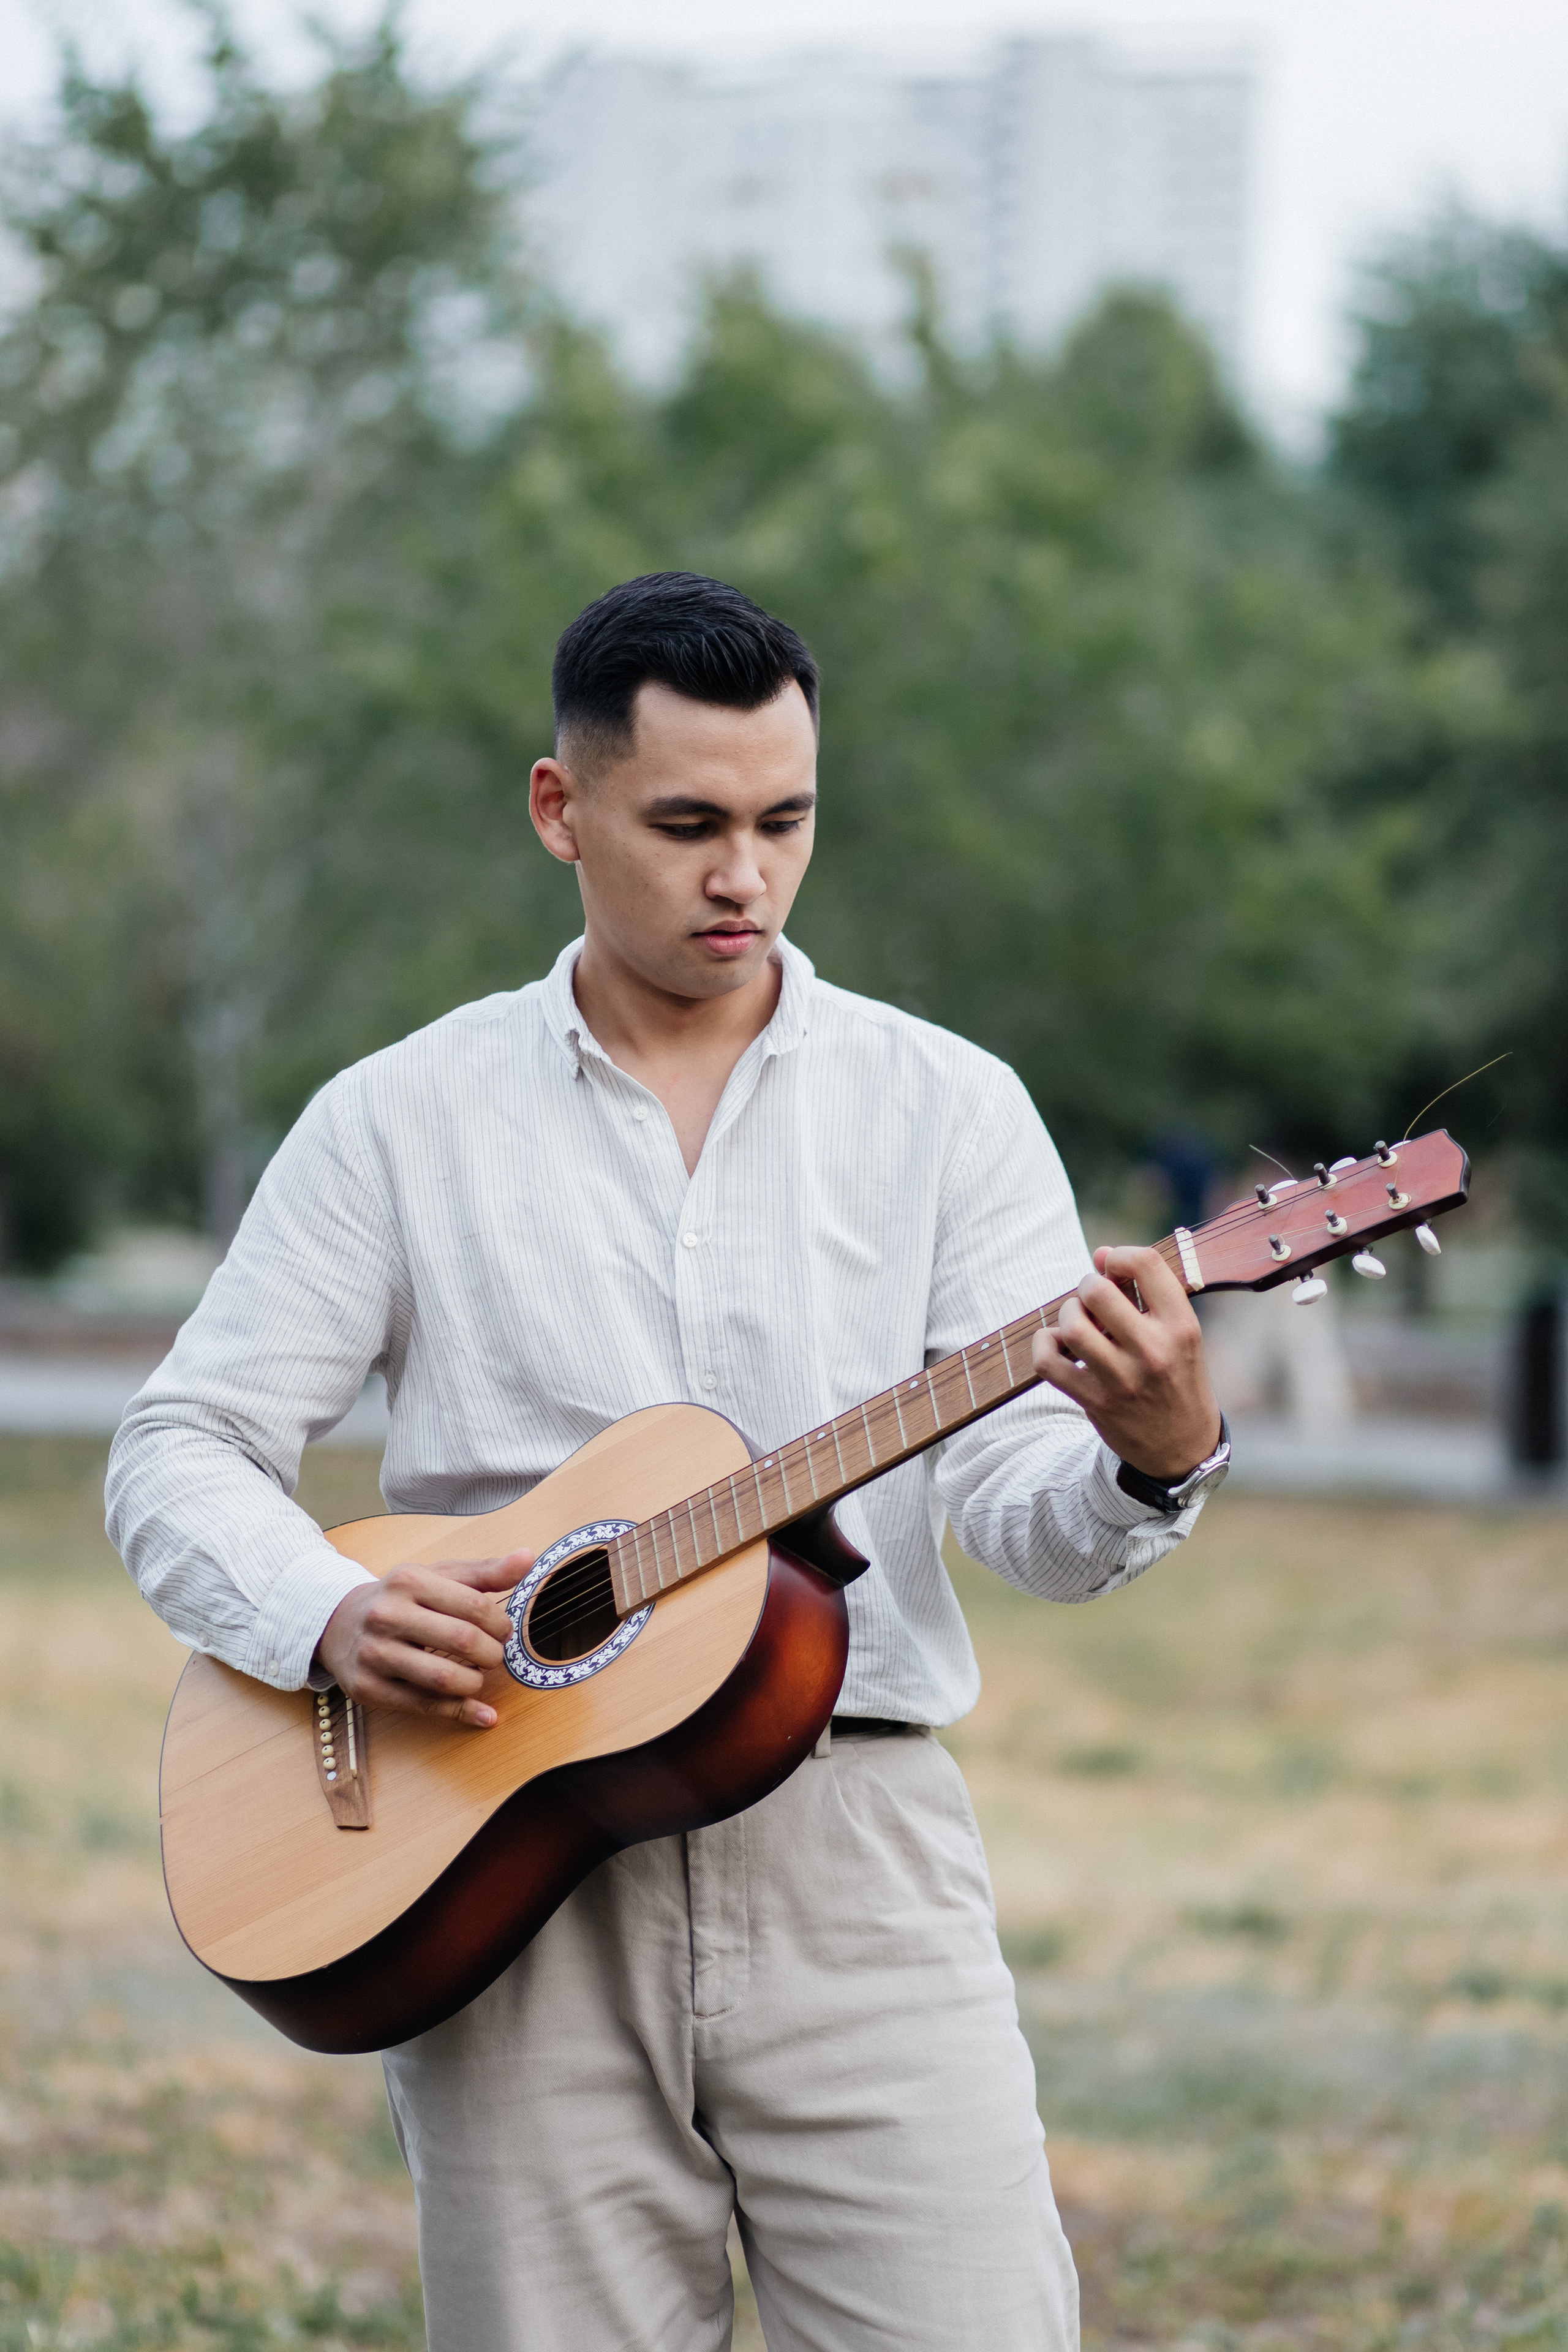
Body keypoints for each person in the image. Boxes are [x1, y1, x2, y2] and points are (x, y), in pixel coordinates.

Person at [108, 572, 1228, 2352]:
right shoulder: (399, 1118)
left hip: (856, 1855)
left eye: (786, 822)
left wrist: (1153, 1460)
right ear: (561, 809)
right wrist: (324, 1610)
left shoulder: (947, 1108)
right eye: (688, 824)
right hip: (499, 1857)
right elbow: (183, 1445)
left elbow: (1035, 1523)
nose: (745, 879)